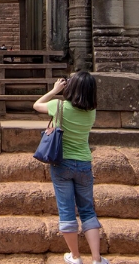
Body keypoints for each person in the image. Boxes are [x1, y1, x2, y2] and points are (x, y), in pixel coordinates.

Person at [33, 71, 108, 264]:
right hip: (84, 163)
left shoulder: (58, 106)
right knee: (88, 211)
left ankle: (75, 257)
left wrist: (54, 90)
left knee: (66, 211)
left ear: (71, 88)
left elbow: (36, 105)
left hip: (62, 164)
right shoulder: (92, 112)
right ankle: (97, 259)